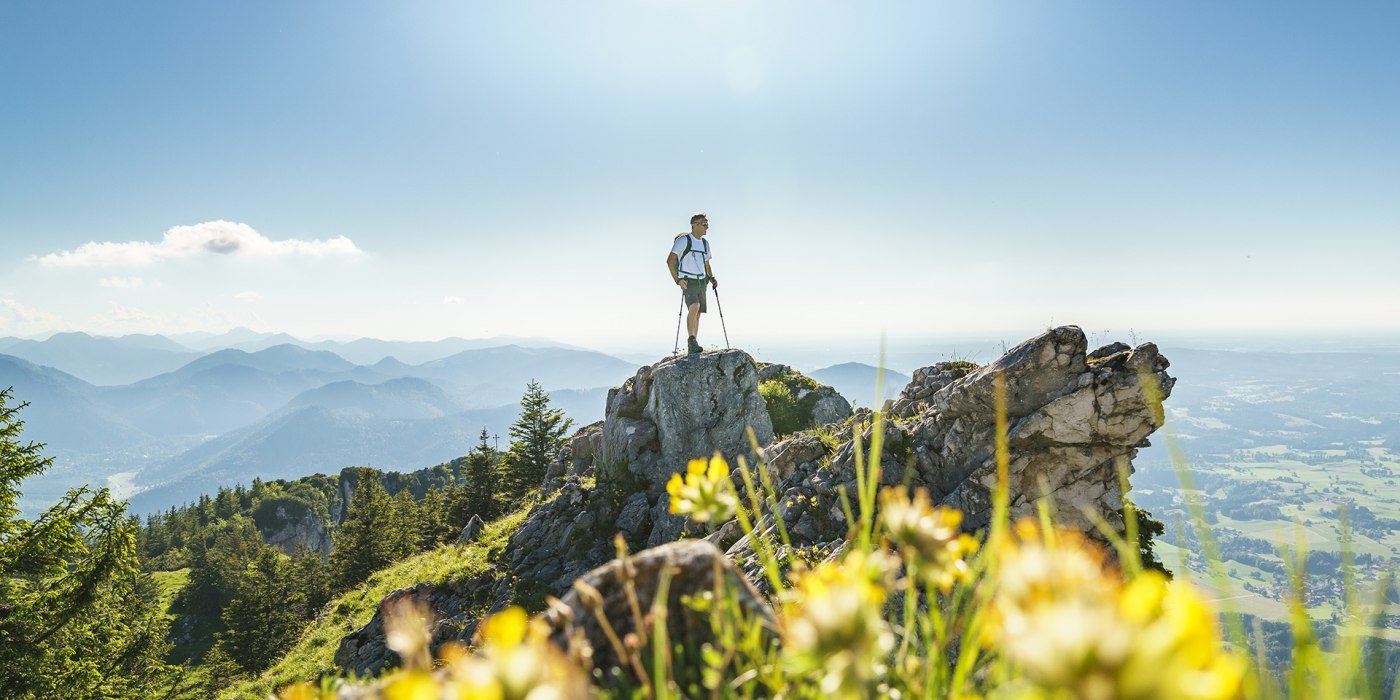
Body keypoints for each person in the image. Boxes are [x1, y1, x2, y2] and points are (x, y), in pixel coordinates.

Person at [666, 212, 717, 354]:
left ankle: (694, 343)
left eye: (707, 224)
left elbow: (706, 264)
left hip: (702, 281)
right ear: (694, 225)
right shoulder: (683, 240)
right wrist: (678, 280)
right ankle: (691, 340)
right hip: (688, 281)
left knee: (698, 312)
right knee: (694, 307)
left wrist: (712, 278)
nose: (707, 227)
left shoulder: (705, 244)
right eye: (704, 224)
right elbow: (670, 261)